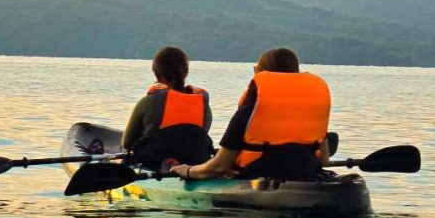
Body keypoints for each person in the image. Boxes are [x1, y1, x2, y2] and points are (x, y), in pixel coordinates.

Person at [171, 47, 330, 182]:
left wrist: (188, 171)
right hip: (307, 173)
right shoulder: (313, 100)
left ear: (260, 73)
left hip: (258, 177)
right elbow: (324, 160)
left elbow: (219, 166)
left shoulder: (256, 98)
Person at [122, 46, 213, 168]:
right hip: (193, 166)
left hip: (153, 165)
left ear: (156, 73)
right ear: (185, 72)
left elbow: (128, 143)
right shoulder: (203, 105)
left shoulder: (147, 102)